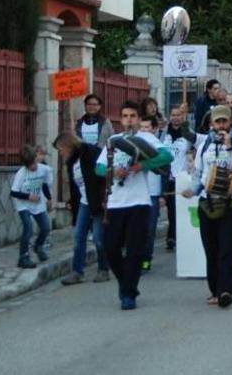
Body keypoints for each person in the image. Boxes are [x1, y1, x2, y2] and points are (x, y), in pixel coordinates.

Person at [96, 101, 173, 310]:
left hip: (139, 202)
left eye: (132, 116)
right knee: (110, 248)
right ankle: (126, 283)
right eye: (125, 116)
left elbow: (167, 156)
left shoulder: (146, 138)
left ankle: (128, 294)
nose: (129, 119)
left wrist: (142, 165)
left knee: (135, 250)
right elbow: (100, 168)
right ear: (120, 119)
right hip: (115, 203)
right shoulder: (114, 140)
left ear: (139, 119)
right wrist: (114, 172)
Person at [182, 105, 232, 308]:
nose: (221, 125)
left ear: (230, 122)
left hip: (230, 203)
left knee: (228, 249)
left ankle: (226, 290)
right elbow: (199, 174)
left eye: (224, 121)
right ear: (212, 123)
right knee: (211, 250)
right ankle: (215, 290)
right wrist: (192, 190)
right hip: (208, 203)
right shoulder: (205, 145)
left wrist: (229, 148)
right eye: (217, 121)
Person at [55, 132, 109, 285]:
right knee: (79, 237)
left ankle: (103, 269)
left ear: (68, 145)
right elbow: (76, 185)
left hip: (97, 201)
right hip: (84, 202)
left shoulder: (89, 152)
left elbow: (102, 176)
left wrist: (104, 198)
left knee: (98, 238)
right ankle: (77, 272)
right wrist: (72, 200)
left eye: (61, 149)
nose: (60, 153)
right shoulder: (71, 162)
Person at [162, 105, 206, 251]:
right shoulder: (163, 134)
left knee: (176, 209)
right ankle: (172, 234)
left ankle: (172, 237)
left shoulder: (188, 134)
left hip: (181, 177)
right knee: (169, 209)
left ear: (183, 117)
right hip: (166, 176)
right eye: (173, 114)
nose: (175, 117)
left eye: (178, 114)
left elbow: (196, 149)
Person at [10, 145, 52, 269]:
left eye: (34, 163)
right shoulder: (21, 174)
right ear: (25, 165)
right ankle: (23, 257)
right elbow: (13, 192)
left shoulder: (43, 169)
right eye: (30, 165)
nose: (33, 167)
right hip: (24, 204)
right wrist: (28, 196)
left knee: (45, 228)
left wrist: (49, 198)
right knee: (28, 228)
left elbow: (44, 184)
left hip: (38, 204)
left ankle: (38, 246)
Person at [138, 116, 166, 272]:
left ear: (154, 129)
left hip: (153, 194)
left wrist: (162, 195)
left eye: (147, 127)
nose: (144, 131)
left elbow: (165, 172)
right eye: (141, 127)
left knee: (149, 229)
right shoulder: (134, 145)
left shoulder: (160, 148)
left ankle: (146, 259)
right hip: (138, 193)